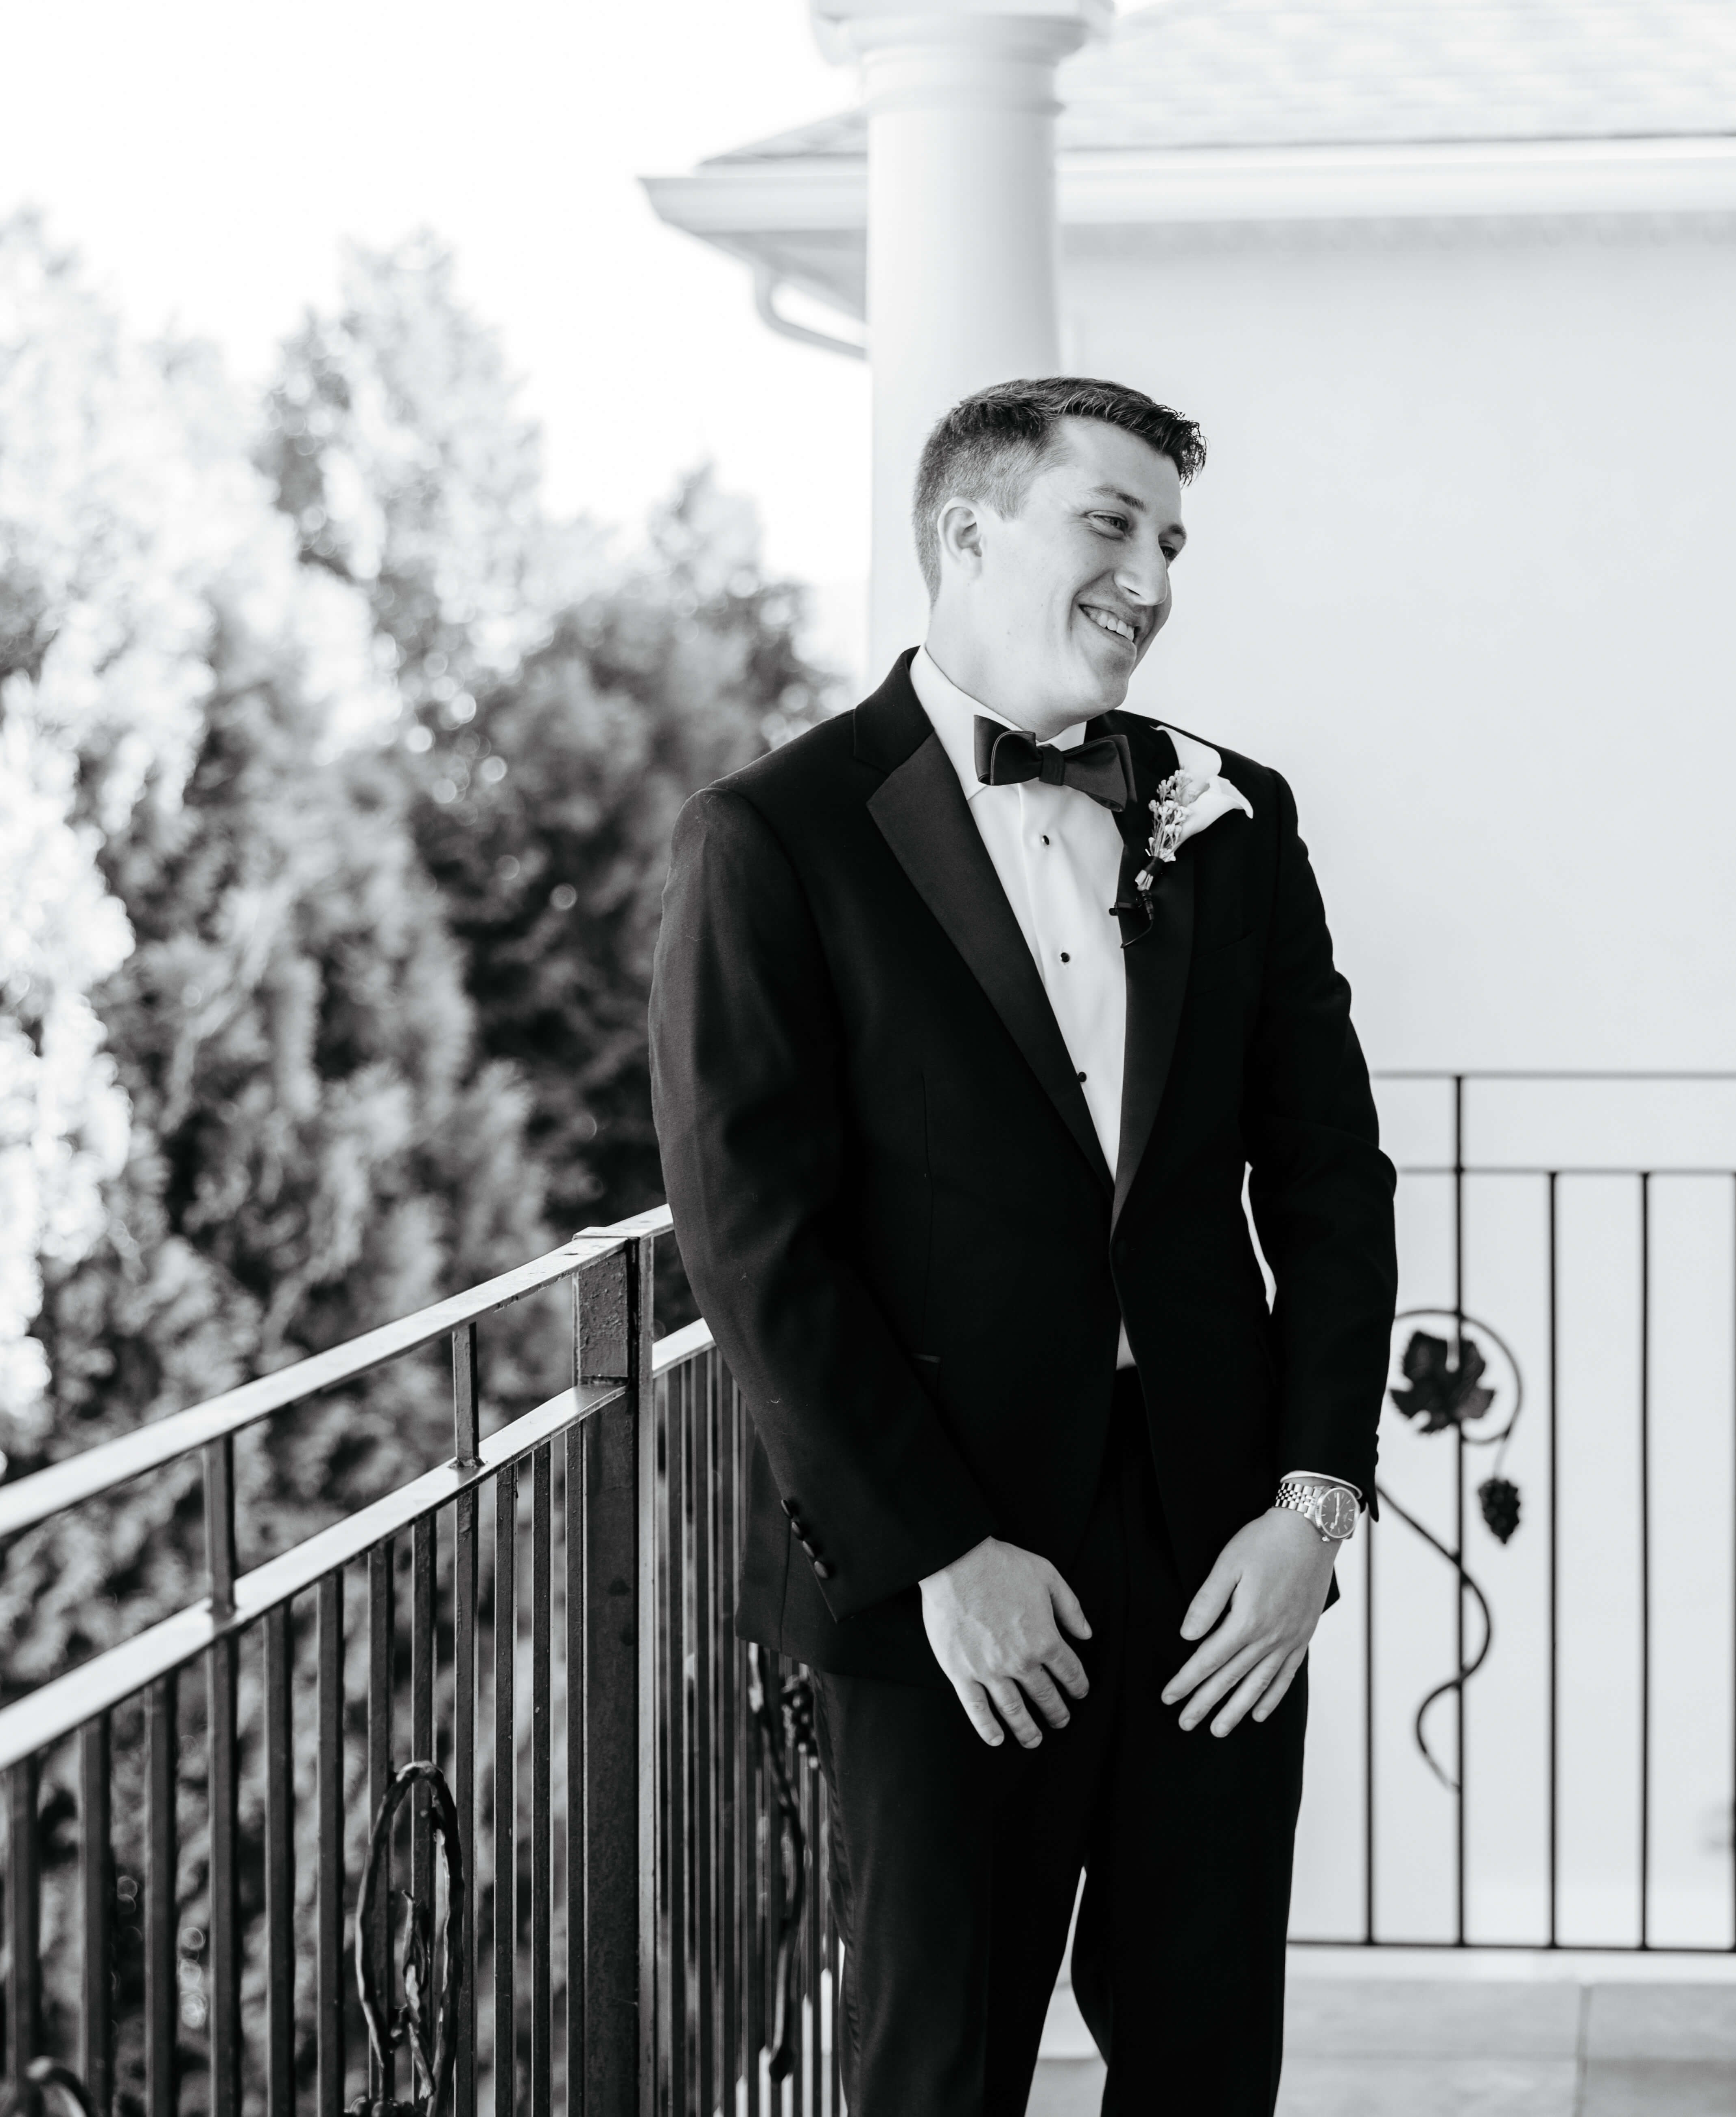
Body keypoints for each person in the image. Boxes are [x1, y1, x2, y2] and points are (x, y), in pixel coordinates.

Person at [649, 375, 1398, 2116]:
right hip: (953, 1577)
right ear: (969, 534)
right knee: (940, 2071)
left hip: (1221, 1560)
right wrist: (939, 1549)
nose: (1153, 580)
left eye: (1174, 544)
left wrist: (1312, 1505)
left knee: (1208, 2064)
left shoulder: (1235, 814)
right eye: (1112, 525)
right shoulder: (774, 838)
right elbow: (756, 1243)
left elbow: (1330, 1177)